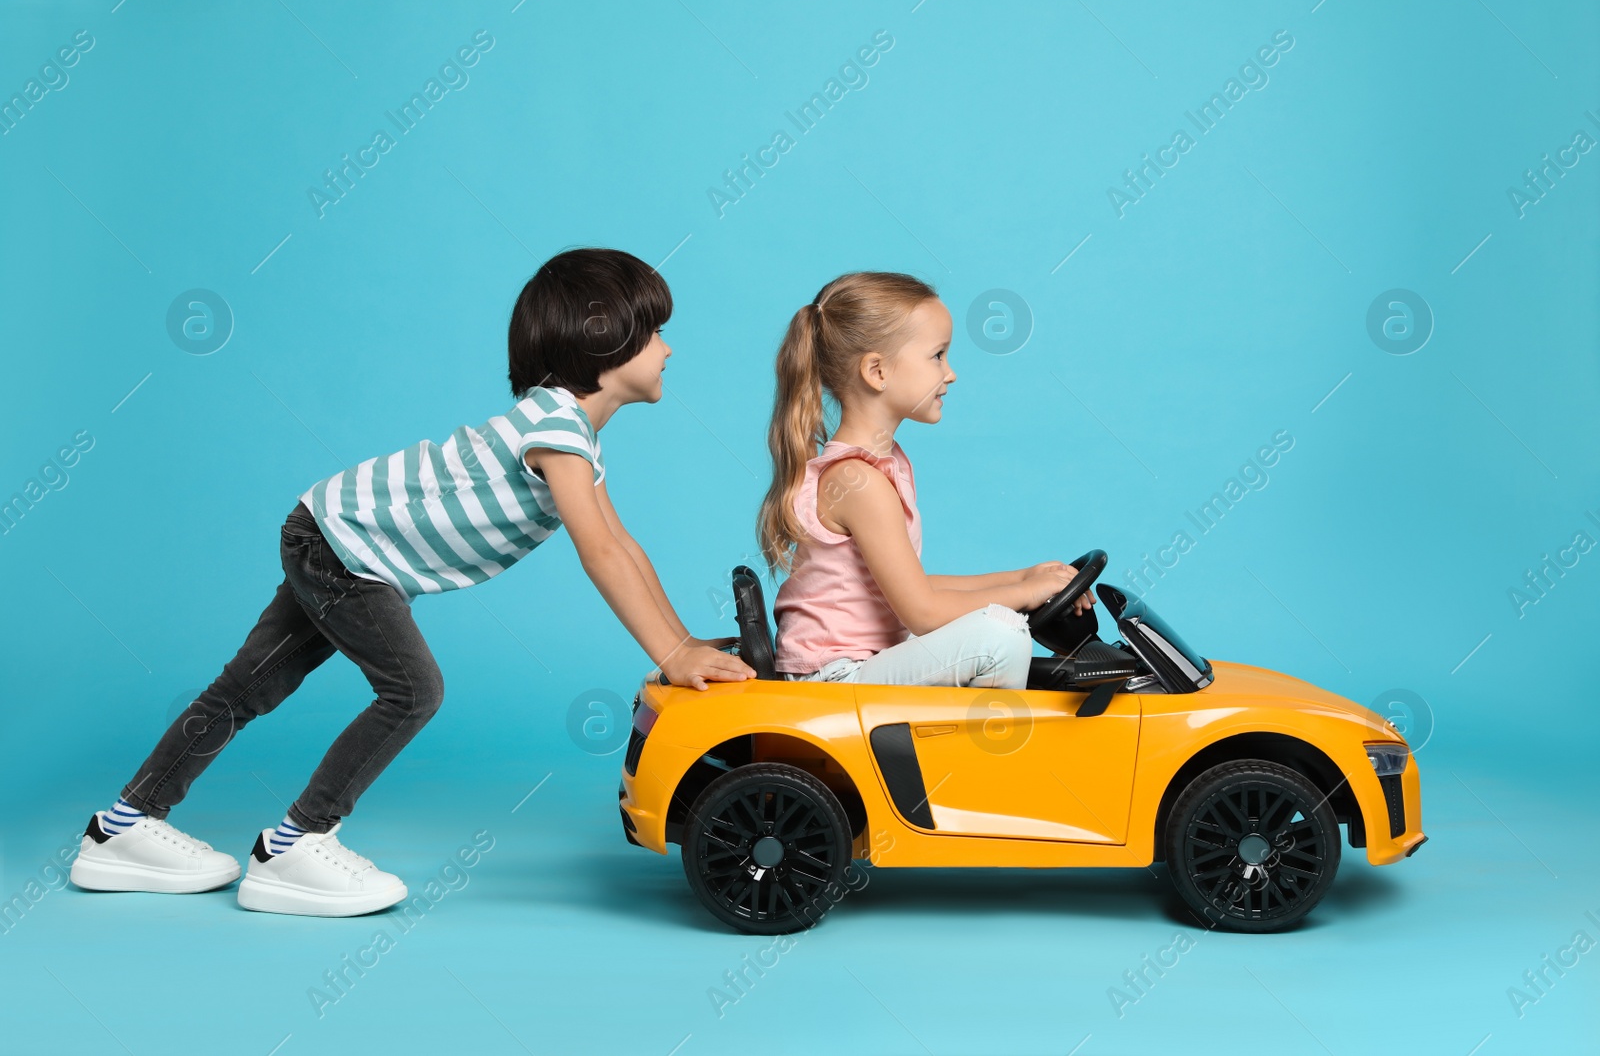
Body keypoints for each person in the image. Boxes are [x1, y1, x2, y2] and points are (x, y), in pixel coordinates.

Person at [70, 248, 753, 916]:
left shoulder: (573, 434)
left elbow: (624, 546)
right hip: (342, 549)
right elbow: (599, 551)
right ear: (606, 340)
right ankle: (295, 842)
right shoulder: (555, 426)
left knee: (250, 684)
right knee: (413, 690)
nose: (668, 348)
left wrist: (685, 642)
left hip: (331, 534)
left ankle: (121, 825)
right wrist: (670, 654)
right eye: (656, 331)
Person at [757, 271, 1093, 688]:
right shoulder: (858, 482)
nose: (950, 374)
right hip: (835, 678)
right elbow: (923, 612)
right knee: (1000, 635)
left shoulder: (879, 466)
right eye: (937, 356)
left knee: (996, 623)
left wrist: (1023, 577)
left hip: (860, 666)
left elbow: (914, 588)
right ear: (877, 371)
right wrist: (1023, 595)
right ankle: (982, 752)